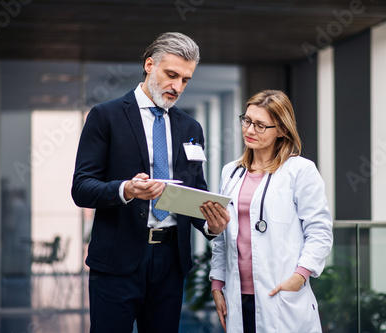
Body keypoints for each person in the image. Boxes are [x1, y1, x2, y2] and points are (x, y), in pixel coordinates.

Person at [71, 32, 230, 333]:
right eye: (172, 75)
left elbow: (195, 190)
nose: (177, 87)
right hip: (118, 261)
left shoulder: (190, 127)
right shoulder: (106, 117)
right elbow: (81, 187)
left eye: (186, 80)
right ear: (149, 65)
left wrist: (211, 224)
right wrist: (126, 190)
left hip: (171, 263)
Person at [205, 90, 333, 333]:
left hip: (280, 292)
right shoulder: (231, 172)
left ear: (282, 130)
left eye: (261, 125)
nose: (250, 130)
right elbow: (224, 238)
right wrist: (217, 284)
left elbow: (319, 232)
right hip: (237, 294)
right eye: (247, 120)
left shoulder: (300, 171)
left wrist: (299, 277)